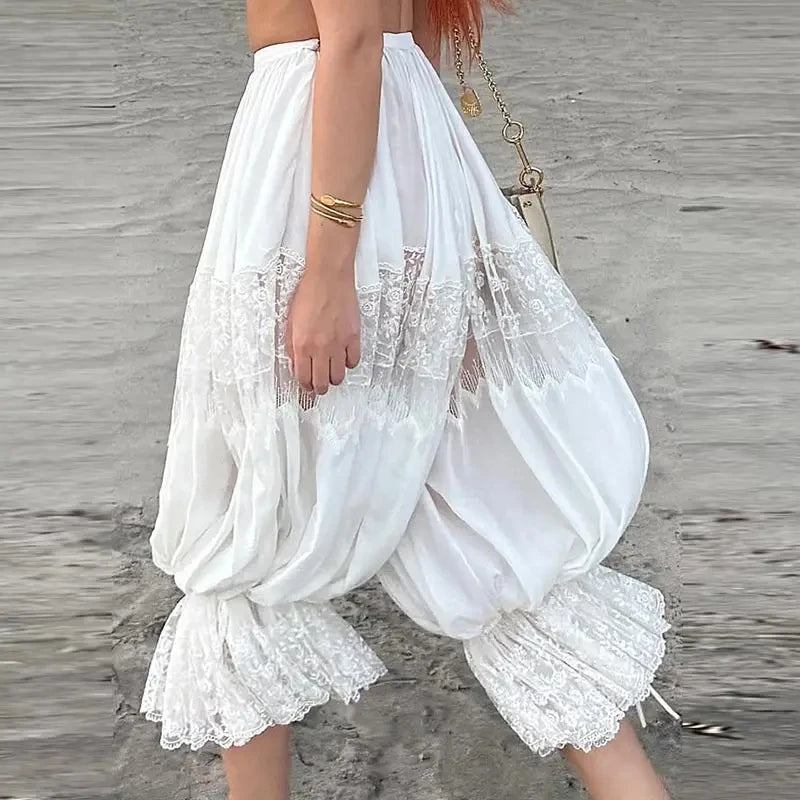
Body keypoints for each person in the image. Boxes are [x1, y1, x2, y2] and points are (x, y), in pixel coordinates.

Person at [139, 1, 674, 798]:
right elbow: (405, 43)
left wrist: (329, 273)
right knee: (485, 517)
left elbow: (356, 42)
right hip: (391, 168)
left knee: (252, 520)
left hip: (314, 178)